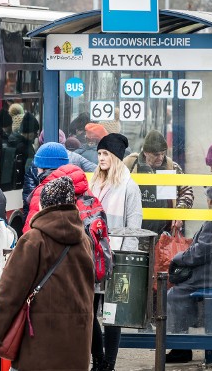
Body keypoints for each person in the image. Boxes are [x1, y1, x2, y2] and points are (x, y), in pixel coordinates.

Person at [0, 176, 95, 370]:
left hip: (39, 343)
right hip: (77, 343)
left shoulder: (34, 239)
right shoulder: (83, 239)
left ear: (44, 203)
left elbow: (10, 293)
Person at [89, 133, 143, 371]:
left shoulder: (129, 187)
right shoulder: (93, 183)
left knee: (112, 315)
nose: (101, 158)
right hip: (91, 257)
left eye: (105, 154)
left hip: (116, 258)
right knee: (88, 312)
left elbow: (134, 226)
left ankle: (108, 363)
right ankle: (98, 358)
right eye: (99, 153)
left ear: (116, 157)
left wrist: (125, 263)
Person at [165, 186, 212, 363]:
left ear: (211, 201)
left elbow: (205, 250)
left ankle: (181, 348)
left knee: (175, 294)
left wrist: (180, 258)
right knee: (181, 285)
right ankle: (184, 340)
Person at [123, 130, 194, 236]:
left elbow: (187, 191)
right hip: (135, 234)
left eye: (163, 153)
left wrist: (179, 212)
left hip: (164, 236)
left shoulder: (171, 167)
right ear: (145, 152)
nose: (160, 158)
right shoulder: (131, 165)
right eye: (156, 154)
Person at [21, 142, 69, 233]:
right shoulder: (79, 186)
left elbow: (30, 231)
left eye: (37, 167)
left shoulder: (41, 192)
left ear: (43, 168)